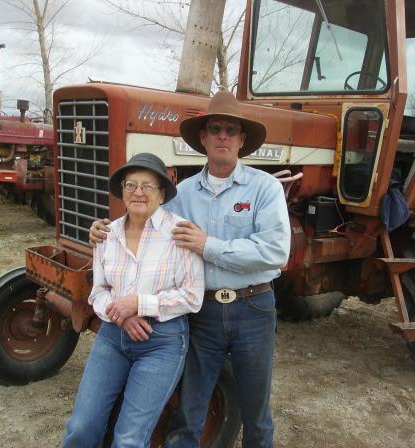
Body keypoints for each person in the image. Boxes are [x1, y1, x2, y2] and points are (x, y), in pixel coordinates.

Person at [90, 91, 291, 447]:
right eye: (215, 129)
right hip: (203, 311)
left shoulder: (265, 188)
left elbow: (275, 251)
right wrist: (102, 231)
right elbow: (143, 224)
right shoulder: (181, 193)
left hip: (254, 308)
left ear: (242, 139)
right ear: (203, 137)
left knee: (256, 412)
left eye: (231, 130)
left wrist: (206, 245)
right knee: (191, 410)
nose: (223, 136)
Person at [63, 153, 205, 448]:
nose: (138, 192)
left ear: (162, 193)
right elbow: (98, 291)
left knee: (129, 439)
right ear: (122, 191)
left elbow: (192, 297)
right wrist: (123, 314)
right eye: (131, 185)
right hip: (113, 336)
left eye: (147, 186)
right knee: (81, 428)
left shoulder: (180, 233)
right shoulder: (107, 234)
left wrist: (139, 303)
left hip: (161, 341)